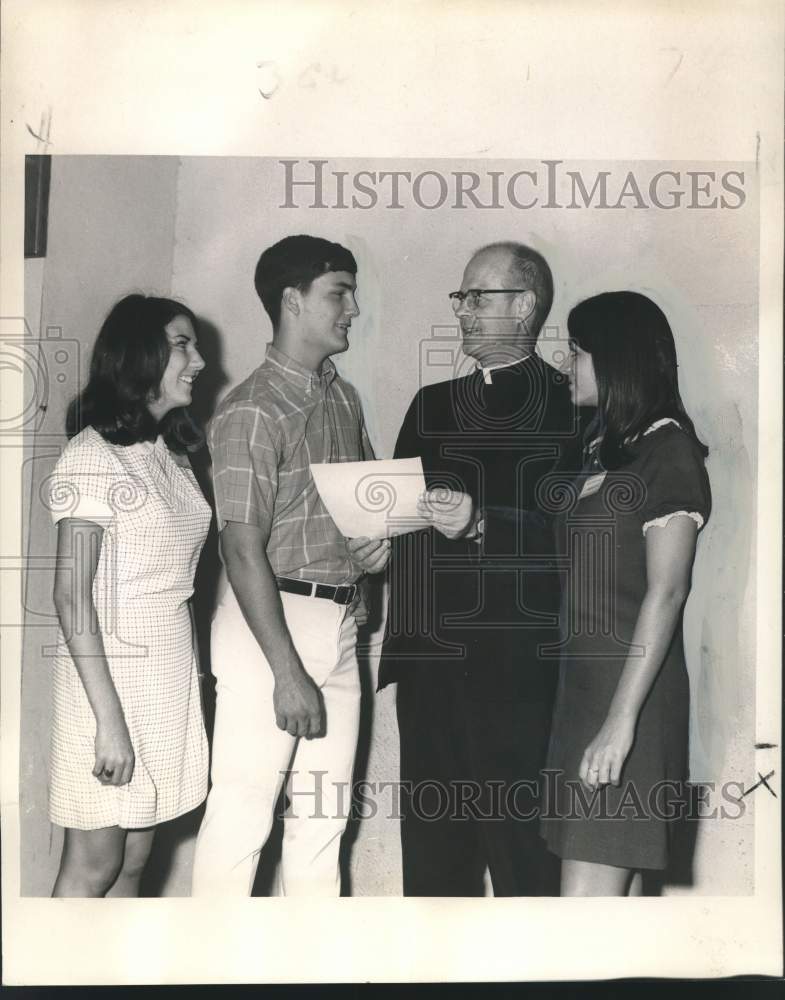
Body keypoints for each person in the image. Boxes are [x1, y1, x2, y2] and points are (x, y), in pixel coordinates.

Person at [378, 241, 582, 896]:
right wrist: (371, 538)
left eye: (476, 297)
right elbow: (403, 521)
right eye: (459, 298)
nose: (461, 311)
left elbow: (575, 536)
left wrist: (481, 521)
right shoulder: (430, 405)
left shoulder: (569, 407)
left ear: (524, 305)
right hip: (432, 668)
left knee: (526, 863)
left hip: (521, 671)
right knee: (434, 866)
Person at [190, 234, 389, 897]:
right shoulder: (250, 409)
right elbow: (239, 550)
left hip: (337, 623)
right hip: (266, 628)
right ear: (292, 301)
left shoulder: (342, 397)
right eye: (339, 292)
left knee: (321, 825)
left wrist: (372, 552)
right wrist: (285, 671)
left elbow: (356, 516)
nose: (353, 308)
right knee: (242, 819)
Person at [540, 290, 711, 895]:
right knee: (616, 928)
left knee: (583, 923)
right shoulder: (607, 449)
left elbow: (667, 592)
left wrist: (620, 723)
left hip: (627, 704)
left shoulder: (670, 452)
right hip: (583, 698)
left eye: (577, 353)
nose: (566, 366)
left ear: (617, 361)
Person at [48, 294, 211, 897]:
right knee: (94, 865)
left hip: (163, 679)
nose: (198, 359)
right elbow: (70, 597)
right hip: (108, 684)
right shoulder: (91, 456)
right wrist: (108, 722)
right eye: (182, 344)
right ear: (139, 356)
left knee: (136, 861)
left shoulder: (168, 452)